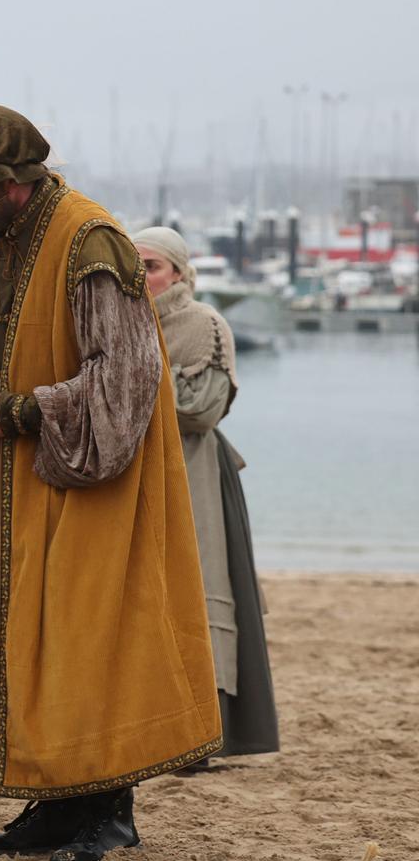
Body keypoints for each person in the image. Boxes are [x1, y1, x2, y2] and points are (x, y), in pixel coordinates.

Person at [0, 105, 220, 861]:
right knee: (24, 630)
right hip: (17, 469)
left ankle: (108, 813)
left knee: (89, 634)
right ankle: (56, 803)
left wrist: (27, 409)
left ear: (11, 182)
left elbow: (126, 378)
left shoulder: (90, 241)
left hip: (92, 470)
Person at [133, 226, 278, 763]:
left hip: (195, 475)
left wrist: (122, 387)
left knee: (197, 587)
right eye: (135, 265)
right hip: (130, 476)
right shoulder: (116, 321)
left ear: (178, 273)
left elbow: (200, 411)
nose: (143, 276)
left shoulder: (204, 326)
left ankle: (200, 732)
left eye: (152, 266)